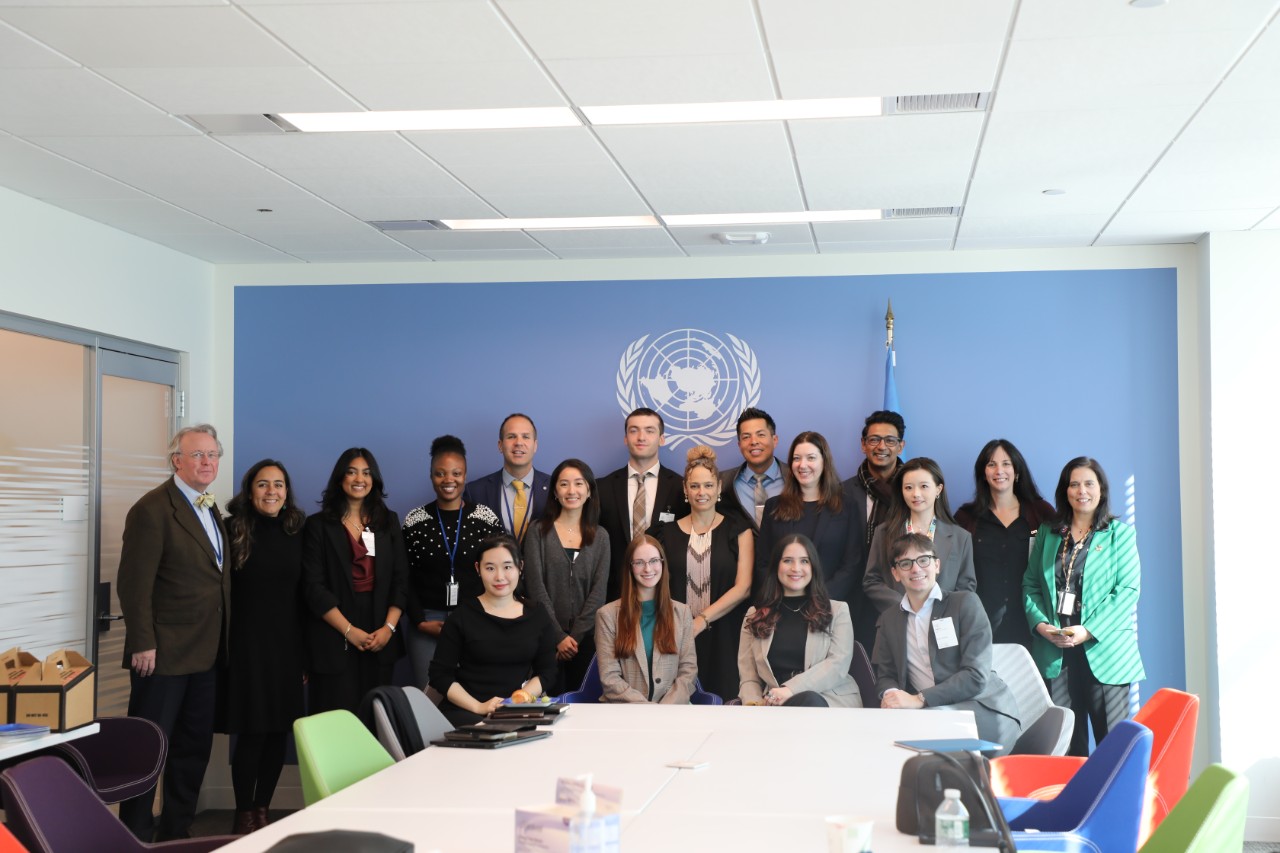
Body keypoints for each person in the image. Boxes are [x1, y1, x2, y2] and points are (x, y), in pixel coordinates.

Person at [117, 424, 230, 841]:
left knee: (192, 747)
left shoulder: (210, 507)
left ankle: (178, 830)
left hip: (206, 652)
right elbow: (133, 584)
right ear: (176, 460)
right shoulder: (151, 509)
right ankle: (135, 832)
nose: (206, 462)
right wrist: (141, 642)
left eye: (212, 454)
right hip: (162, 654)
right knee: (148, 749)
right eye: (197, 455)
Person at [1024, 457, 1144, 756]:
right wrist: (1041, 625)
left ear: (1101, 489)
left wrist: (1087, 630)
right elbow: (1030, 585)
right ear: (1065, 491)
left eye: (1089, 483)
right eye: (1074, 484)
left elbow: (1127, 591)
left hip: (1106, 653)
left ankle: (1114, 804)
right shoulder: (1048, 533)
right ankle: (1070, 804)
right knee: (1066, 748)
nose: (1081, 491)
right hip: (1057, 652)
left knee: (1112, 750)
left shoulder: (1120, 534)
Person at [873, 533, 1022, 755]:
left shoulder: (965, 604)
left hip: (984, 708)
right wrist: (893, 696)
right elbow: (885, 673)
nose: (916, 569)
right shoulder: (889, 619)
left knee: (924, 733)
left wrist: (919, 699)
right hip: (930, 714)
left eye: (923, 560)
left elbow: (975, 675)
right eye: (905, 564)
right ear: (895, 573)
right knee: (884, 737)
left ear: (937, 565)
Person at [220, 459, 305, 835]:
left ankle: (262, 809)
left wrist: (303, 654)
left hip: (287, 646)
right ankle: (242, 812)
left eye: (279, 484)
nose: (271, 491)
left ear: (287, 492)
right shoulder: (231, 529)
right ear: (249, 490)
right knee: (252, 731)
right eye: (263, 484)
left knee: (277, 732)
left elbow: (304, 597)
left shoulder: (298, 531)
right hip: (245, 647)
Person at [301, 447, 408, 715]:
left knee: (376, 718)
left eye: (366, 472)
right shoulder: (318, 526)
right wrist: (349, 630)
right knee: (336, 718)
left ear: (374, 480)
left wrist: (389, 629)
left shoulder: (388, 521)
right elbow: (313, 588)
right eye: (351, 472)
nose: (359, 478)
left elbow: (401, 580)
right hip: (334, 633)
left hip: (380, 631)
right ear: (340, 478)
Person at [651, 445, 753, 699]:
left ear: (719, 488)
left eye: (708, 485)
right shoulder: (663, 534)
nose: (701, 492)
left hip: (726, 637)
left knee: (725, 706)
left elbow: (743, 588)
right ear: (685, 489)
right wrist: (683, 626)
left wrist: (701, 620)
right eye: (694, 486)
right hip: (675, 637)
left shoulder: (739, 530)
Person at [402, 435, 503, 688]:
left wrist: (486, 617)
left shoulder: (485, 518)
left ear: (465, 476)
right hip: (427, 623)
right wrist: (419, 621)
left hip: (476, 620)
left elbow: (500, 572)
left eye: (456, 473)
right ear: (431, 476)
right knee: (430, 696)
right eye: (440, 473)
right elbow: (403, 576)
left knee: (474, 694)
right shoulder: (414, 521)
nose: (449, 480)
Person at [429, 534, 558, 726]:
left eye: (507, 567)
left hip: (515, 713)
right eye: (490, 568)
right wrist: (479, 707)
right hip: (466, 711)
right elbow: (439, 675)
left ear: (520, 567)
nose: (499, 577)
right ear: (478, 569)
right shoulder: (462, 616)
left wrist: (517, 702)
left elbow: (547, 671)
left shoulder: (537, 614)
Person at [737, 535, 862, 707]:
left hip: (828, 701)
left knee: (809, 701)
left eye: (804, 561)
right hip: (775, 707)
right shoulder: (755, 615)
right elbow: (749, 676)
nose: (796, 568)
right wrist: (755, 707)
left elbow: (837, 665)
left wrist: (790, 690)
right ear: (776, 566)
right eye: (788, 560)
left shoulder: (837, 611)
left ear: (813, 567)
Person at [954, 439, 1055, 648]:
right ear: (983, 473)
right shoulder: (966, 518)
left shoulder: (1041, 513)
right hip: (981, 626)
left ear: (1017, 471)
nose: (999, 470)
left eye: (1006, 464)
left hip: (1034, 624)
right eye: (991, 464)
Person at [522, 459, 611, 695]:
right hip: (545, 638)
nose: (572, 491)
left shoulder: (601, 537)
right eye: (564, 484)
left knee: (586, 709)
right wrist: (559, 637)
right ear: (555, 491)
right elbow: (535, 587)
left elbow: (598, 592)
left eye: (579, 483)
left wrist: (575, 638)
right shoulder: (538, 531)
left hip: (587, 642)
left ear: (589, 490)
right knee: (545, 709)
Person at [755, 431, 862, 605]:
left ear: (824, 462)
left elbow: (852, 563)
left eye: (811, 458)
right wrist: (781, 600)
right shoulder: (773, 507)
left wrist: (820, 600)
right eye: (797, 458)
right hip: (782, 607)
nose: (802, 465)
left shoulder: (847, 506)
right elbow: (763, 562)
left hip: (829, 607)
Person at [863, 457, 976, 617]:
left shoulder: (960, 537)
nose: (916, 494)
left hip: (943, 622)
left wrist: (941, 609)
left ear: (938, 489)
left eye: (924, 486)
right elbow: (872, 580)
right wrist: (905, 606)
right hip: (898, 620)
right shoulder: (884, 533)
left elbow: (966, 585)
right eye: (908, 487)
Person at [597, 407, 688, 601]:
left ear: (661, 439)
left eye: (649, 430)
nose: (641, 437)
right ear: (625, 438)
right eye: (633, 430)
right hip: (615, 595)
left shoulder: (681, 488)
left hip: (667, 594)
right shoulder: (602, 488)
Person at [594, 535, 699, 703]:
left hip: (672, 712)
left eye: (654, 561)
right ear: (630, 567)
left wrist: (665, 708)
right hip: (626, 713)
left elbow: (688, 671)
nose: (648, 569)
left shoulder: (683, 612)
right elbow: (610, 678)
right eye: (639, 562)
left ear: (662, 564)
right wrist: (647, 710)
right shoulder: (607, 615)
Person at [465, 413, 551, 544]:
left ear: (535, 445)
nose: (519, 443)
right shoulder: (475, 492)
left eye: (526, 437)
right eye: (511, 437)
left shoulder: (554, 488)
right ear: (500, 445)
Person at [719, 407, 785, 530]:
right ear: (739, 445)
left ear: (774, 440)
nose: (753, 442)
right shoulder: (722, 483)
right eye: (746, 437)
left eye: (760, 435)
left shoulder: (795, 478)